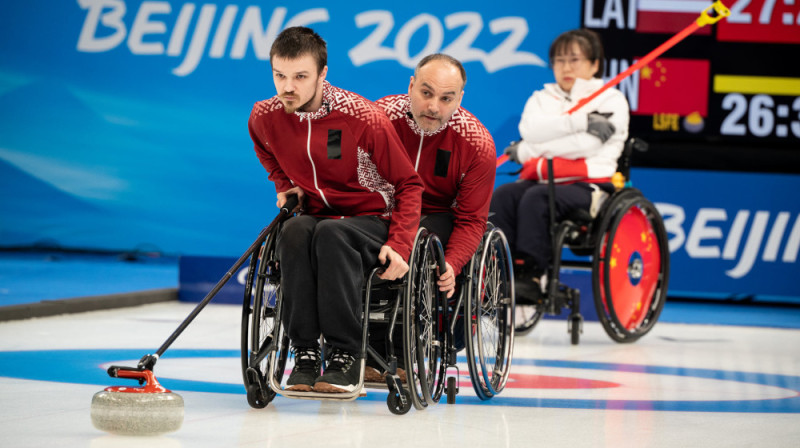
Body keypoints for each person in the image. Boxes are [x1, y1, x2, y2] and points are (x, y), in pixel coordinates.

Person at [248, 27, 424, 394]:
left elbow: (409, 185)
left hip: (373, 218)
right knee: (294, 232)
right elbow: (267, 151)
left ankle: (345, 355)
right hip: (317, 215)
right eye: (279, 75)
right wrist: (283, 184)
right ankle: (306, 352)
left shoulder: (362, 117)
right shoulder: (264, 117)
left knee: (331, 233)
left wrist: (402, 244)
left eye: (300, 77)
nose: (287, 87)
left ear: (322, 74)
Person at [369, 54, 496, 380]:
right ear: (410, 86)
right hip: (383, 209)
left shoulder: (477, 143)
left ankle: (398, 353)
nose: (434, 107)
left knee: (421, 241)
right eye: (426, 93)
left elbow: (471, 220)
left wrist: (452, 265)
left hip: (440, 216)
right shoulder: (380, 118)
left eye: (446, 98)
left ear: (460, 99)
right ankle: (358, 349)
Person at [489, 28, 629, 300]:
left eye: (574, 60)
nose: (566, 67)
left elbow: (586, 146)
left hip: (589, 186)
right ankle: (499, 271)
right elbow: (530, 130)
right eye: (559, 60)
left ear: (594, 64)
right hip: (541, 180)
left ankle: (530, 274)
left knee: (537, 198)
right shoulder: (541, 97)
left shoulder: (611, 100)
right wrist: (580, 122)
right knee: (504, 195)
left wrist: (533, 148)